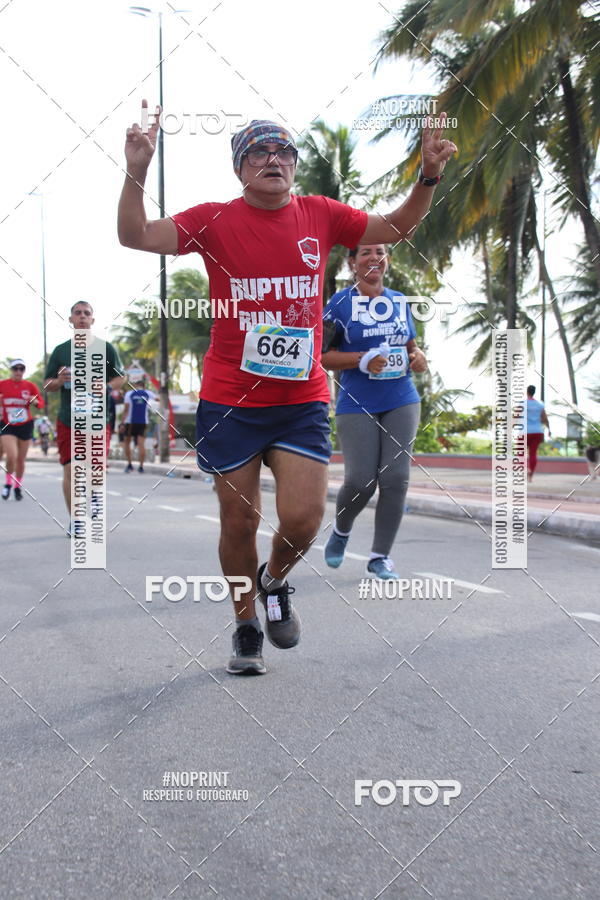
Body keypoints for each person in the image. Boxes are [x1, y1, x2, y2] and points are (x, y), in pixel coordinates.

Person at [118, 103, 457, 675]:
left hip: (300, 396)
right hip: (231, 399)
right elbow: (134, 235)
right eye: (258, 152)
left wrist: (427, 174)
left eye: (283, 153)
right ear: (239, 168)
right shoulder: (213, 219)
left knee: (301, 520)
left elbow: (396, 226)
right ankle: (246, 623)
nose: (273, 160)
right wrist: (137, 170)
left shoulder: (321, 214)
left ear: (296, 168)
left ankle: (273, 582)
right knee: (239, 522)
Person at [321, 245, 427, 578]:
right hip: (357, 401)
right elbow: (323, 356)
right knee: (360, 480)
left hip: (402, 397)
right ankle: (341, 531)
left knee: (396, 478)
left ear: (387, 261)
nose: (374, 258)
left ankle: (379, 556)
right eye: (365, 252)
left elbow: (410, 346)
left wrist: (419, 357)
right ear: (352, 263)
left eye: (380, 252)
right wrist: (361, 359)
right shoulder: (339, 304)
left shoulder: (398, 300)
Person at [44, 302, 124, 535]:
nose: (82, 317)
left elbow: (121, 378)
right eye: (77, 313)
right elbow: (47, 384)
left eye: (86, 314)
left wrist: (106, 386)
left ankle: (95, 502)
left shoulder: (106, 349)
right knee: (70, 470)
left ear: (93, 320)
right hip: (69, 419)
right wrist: (58, 381)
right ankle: (77, 520)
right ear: (70, 319)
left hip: (99, 419)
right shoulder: (61, 351)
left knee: (95, 469)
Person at [0, 359, 44, 500]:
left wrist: (35, 401)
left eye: (21, 368)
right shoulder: (2, 385)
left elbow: (40, 403)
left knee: (20, 460)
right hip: (7, 425)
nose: (18, 371)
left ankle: (17, 486)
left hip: (25, 424)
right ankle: (7, 484)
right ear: (11, 370)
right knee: (11, 456)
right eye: (15, 368)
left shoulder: (29, 386)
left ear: (24, 370)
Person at [121, 378, 157, 473]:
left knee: (127, 443)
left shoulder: (129, 394)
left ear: (135, 385)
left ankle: (129, 465)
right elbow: (159, 399)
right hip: (143, 422)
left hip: (130, 422)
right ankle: (141, 467)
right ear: (144, 386)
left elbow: (126, 409)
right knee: (141, 444)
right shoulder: (148, 393)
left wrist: (122, 422)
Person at [526, 385, 550, 482]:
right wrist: (549, 429)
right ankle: (530, 475)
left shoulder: (523, 403)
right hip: (537, 431)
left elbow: (516, 417)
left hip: (524, 432)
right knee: (533, 454)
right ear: (534, 392)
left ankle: (524, 469)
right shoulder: (540, 405)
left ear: (527, 392)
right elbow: (544, 418)